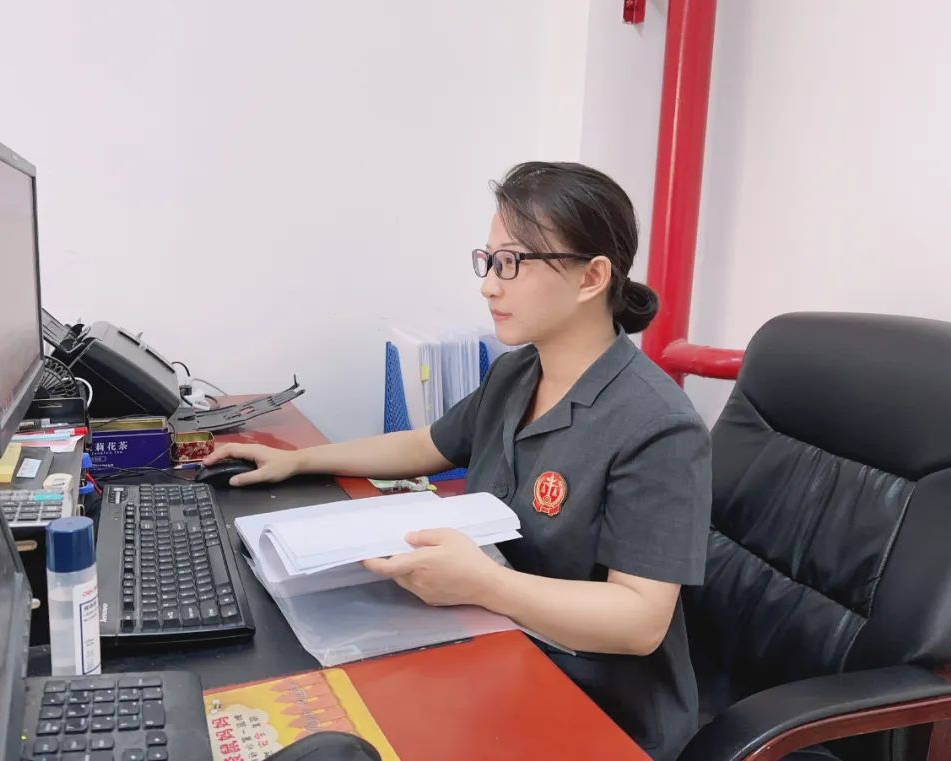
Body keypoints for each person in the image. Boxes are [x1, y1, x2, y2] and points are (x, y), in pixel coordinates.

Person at [204, 161, 712, 760]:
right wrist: (300, 460)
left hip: (598, 707)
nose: (489, 286)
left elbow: (639, 621)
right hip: (492, 643)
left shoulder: (657, 425)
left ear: (591, 277)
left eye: (512, 263)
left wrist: (486, 583)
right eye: (488, 261)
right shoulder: (519, 372)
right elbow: (426, 445)